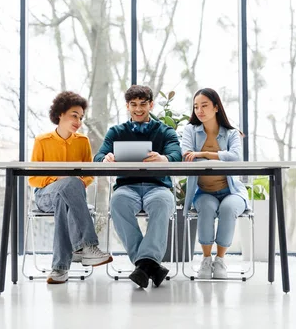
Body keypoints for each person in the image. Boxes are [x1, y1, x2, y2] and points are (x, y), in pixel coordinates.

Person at [93, 85, 182, 289]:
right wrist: (106, 158)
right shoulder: (116, 132)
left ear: (151, 104)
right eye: (133, 105)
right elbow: (98, 157)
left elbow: (176, 155)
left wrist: (164, 158)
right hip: (128, 187)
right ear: (127, 106)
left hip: (157, 187)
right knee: (117, 202)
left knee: (163, 203)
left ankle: (143, 265)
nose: (138, 109)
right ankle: (150, 264)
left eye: (143, 104)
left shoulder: (165, 131)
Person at [28, 91, 112, 284]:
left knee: (65, 196)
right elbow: (32, 178)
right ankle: (87, 246)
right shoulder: (42, 141)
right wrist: (61, 180)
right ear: (60, 114)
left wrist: (75, 183)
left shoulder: (82, 142)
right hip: (44, 196)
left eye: (81, 117)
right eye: (74, 115)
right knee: (67, 186)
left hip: (69, 198)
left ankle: (59, 268)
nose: (78, 121)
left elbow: (89, 175)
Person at [180, 88, 248, 279]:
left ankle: (220, 260)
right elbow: (186, 155)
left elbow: (235, 158)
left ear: (216, 107)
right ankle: (206, 259)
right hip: (203, 192)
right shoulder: (190, 130)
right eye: (196, 107)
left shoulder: (232, 133)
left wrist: (203, 154)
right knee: (207, 208)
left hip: (232, 191)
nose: (199, 110)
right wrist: (218, 157)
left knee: (227, 209)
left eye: (204, 105)